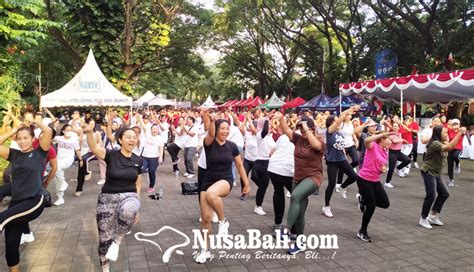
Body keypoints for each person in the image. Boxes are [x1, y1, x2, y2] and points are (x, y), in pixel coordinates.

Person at [83, 121, 142, 271]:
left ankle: (117, 241)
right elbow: (94, 147)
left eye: (134, 137)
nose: (132, 140)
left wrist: (137, 208)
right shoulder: (111, 155)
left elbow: (138, 185)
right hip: (107, 199)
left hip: (129, 197)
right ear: (120, 140)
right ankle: (105, 265)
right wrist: (89, 133)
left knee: (129, 210)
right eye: (128, 137)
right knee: (104, 237)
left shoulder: (138, 160)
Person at [194, 111, 251, 264]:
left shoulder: (232, 146)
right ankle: (204, 250)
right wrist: (212, 121)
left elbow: (239, 165)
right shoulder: (209, 143)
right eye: (222, 128)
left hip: (225, 180)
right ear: (217, 130)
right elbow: (210, 133)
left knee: (212, 194)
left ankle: (223, 221)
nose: (225, 131)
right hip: (208, 179)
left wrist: (246, 183)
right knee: (205, 219)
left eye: (227, 128)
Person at [0, 120, 52, 272]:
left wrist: (36, 122)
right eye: (19, 138)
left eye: (26, 138)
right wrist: (15, 129)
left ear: (33, 139)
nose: (22, 141)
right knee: (10, 244)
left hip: (34, 200)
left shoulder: (39, 152)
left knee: (2, 218)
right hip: (16, 204)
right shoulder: (14, 155)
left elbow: (48, 132)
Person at [279, 115, 324, 254]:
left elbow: (316, 146)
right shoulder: (298, 139)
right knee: (300, 212)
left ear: (312, 129)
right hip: (298, 178)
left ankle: (286, 230)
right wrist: (281, 115)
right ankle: (300, 242)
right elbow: (285, 129)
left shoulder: (319, 141)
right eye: (301, 130)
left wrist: (307, 129)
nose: (303, 133)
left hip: (313, 177)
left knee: (295, 196)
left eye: (305, 130)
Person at [418, 125, 466, 229]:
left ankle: (433, 216)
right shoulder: (435, 144)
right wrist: (459, 133)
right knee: (431, 195)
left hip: (437, 173)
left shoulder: (441, 142)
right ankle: (423, 218)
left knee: (444, 194)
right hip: (428, 171)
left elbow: (448, 146)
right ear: (438, 134)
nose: (447, 134)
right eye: (444, 133)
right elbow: (449, 148)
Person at [355, 131, 393, 242]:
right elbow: (366, 140)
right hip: (364, 179)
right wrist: (382, 134)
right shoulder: (372, 146)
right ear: (382, 140)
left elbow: (381, 166)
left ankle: (363, 201)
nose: (390, 141)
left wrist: (383, 169)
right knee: (371, 207)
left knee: (385, 203)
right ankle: (362, 231)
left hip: (375, 180)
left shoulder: (385, 151)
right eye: (388, 139)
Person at [323, 106, 359, 218]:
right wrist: (349, 110)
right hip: (332, 162)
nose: (338, 122)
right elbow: (339, 119)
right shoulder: (329, 132)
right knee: (331, 184)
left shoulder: (338, 133)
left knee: (354, 176)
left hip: (342, 160)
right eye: (335, 121)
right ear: (331, 123)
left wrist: (344, 154)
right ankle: (326, 207)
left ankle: (343, 187)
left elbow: (341, 146)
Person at [268, 113, 295, 230]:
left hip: (273, 168)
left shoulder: (283, 137)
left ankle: (278, 223)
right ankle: (293, 226)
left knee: (278, 192)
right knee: (297, 196)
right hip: (287, 169)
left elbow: (271, 153)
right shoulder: (302, 138)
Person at [252, 114, 276, 216]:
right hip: (261, 163)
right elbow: (265, 130)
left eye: (270, 124)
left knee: (266, 184)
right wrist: (267, 118)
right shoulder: (260, 135)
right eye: (268, 124)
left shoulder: (269, 137)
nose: (270, 125)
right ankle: (258, 206)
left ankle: (259, 205)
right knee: (263, 185)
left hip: (269, 163)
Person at [53, 124, 81, 205]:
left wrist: (81, 159)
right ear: (63, 131)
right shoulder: (59, 139)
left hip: (68, 159)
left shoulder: (74, 140)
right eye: (67, 130)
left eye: (70, 130)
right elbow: (50, 139)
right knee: (57, 178)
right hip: (59, 159)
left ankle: (64, 183)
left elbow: (77, 150)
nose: (69, 132)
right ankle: (60, 198)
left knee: (56, 169)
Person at [75, 119, 102, 196]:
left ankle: (87, 172)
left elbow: (100, 143)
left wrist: (95, 146)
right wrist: (78, 151)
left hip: (92, 151)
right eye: (90, 124)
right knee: (80, 170)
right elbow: (80, 141)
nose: (92, 126)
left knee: (84, 160)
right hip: (82, 152)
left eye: (93, 124)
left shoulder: (97, 133)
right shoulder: (82, 132)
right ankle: (79, 189)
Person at [384, 122, 411, 188]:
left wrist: (401, 123)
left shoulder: (399, 133)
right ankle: (387, 182)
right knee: (391, 168)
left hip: (398, 152)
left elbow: (407, 130)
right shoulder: (391, 134)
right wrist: (403, 140)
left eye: (396, 126)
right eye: (394, 126)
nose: (395, 127)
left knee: (408, 160)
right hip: (392, 153)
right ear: (392, 127)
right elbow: (394, 141)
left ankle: (398, 168)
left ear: (399, 127)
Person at [240, 112, 258, 200]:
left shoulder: (257, 135)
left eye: (251, 126)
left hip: (256, 160)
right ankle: (244, 192)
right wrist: (245, 119)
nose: (249, 127)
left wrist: (250, 119)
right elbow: (241, 128)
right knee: (243, 176)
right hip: (247, 159)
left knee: (254, 177)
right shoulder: (247, 133)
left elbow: (254, 130)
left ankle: (262, 187)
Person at [446, 119, 464, 187]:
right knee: (450, 164)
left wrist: (460, 129)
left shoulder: (461, 131)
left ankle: (457, 163)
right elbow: (443, 131)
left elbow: (464, 130)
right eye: (454, 124)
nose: (455, 125)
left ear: (459, 124)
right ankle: (451, 180)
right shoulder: (449, 130)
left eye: (456, 124)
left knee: (455, 156)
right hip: (450, 148)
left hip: (459, 148)